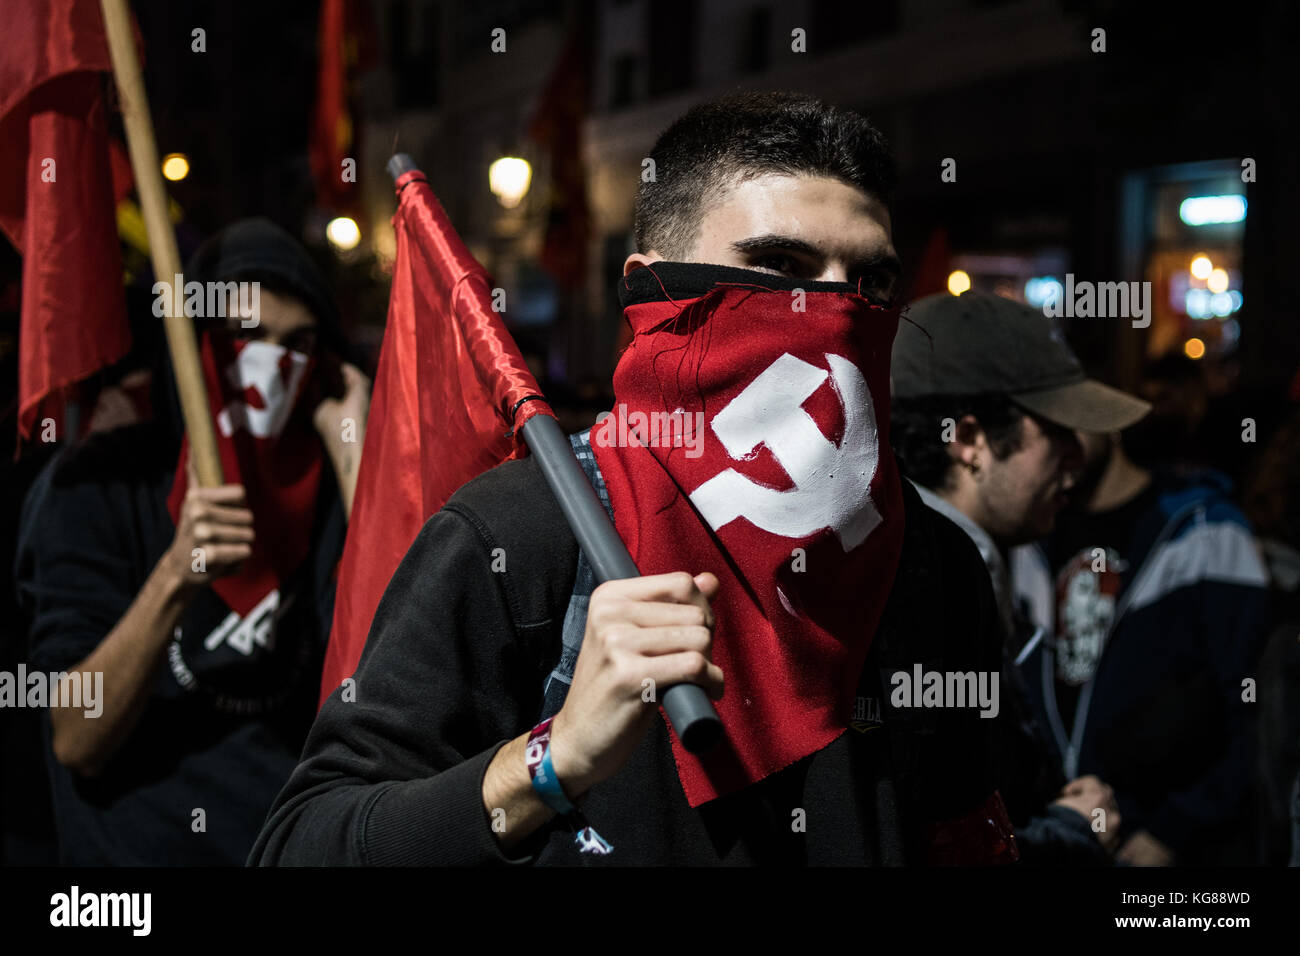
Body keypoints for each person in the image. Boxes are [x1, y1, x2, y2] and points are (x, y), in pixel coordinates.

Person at [251, 92, 1018, 866]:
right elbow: (303, 845)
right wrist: (553, 760)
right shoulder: (519, 535)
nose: (835, 313)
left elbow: (963, 827)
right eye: (778, 267)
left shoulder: (936, 564)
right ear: (655, 291)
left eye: (869, 284)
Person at [14, 219, 371, 864]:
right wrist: (176, 575)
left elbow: (393, 681)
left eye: (298, 344)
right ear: (191, 344)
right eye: (246, 336)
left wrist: (355, 454)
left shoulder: (324, 486)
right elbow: (75, 736)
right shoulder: (102, 482)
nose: (270, 367)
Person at [890, 289, 1150, 864]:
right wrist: (1068, 833)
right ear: (969, 440)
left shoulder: (949, 557)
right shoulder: (926, 585)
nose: (1078, 459)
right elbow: (929, 840)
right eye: (1058, 432)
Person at [1011, 422, 1271, 865]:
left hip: (1170, 845)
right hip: (1061, 832)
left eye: (1072, 415)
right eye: (1040, 420)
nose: (1057, 438)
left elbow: (1254, 707)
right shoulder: (1029, 531)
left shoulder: (1206, 530)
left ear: (1108, 414)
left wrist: (1174, 830)